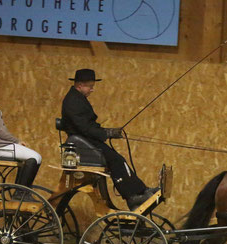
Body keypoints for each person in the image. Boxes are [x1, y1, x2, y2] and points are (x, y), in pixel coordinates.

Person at [61, 68, 157, 210]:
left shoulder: (77, 98)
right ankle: (132, 196)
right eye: (90, 87)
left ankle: (140, 191)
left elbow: (88, 125)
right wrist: (106, 133)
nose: (92, 90)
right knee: (116, 160)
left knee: (118, 159)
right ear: (80, 85)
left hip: (87, 140)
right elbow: (84, 127)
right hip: (83, 142)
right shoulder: (73, 101)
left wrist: (107, 132)